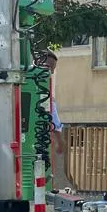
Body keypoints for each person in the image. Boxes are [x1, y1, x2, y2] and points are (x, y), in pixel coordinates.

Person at [40, 51, 71, 191]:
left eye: (53, 69)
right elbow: (53, 119)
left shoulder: (45, 90)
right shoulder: (42, 88)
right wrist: (59, 140)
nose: (51, 72)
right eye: (50, 67)